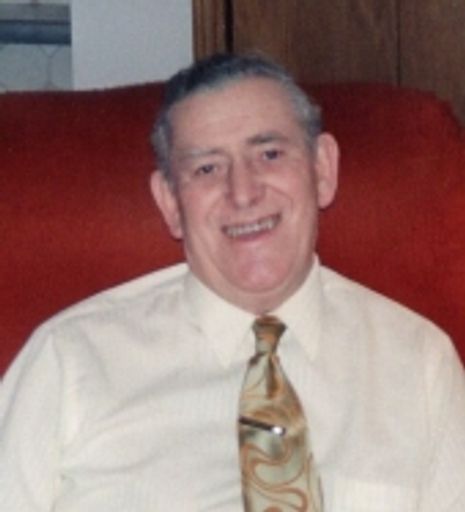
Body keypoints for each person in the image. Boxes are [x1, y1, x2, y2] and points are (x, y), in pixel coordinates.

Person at [1, 53, 464, 511]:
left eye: (269, 154)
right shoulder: (71, 358)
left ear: (322, 169)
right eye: (207, 168)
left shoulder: (419, 362)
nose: (243, 192)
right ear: (170, 202)